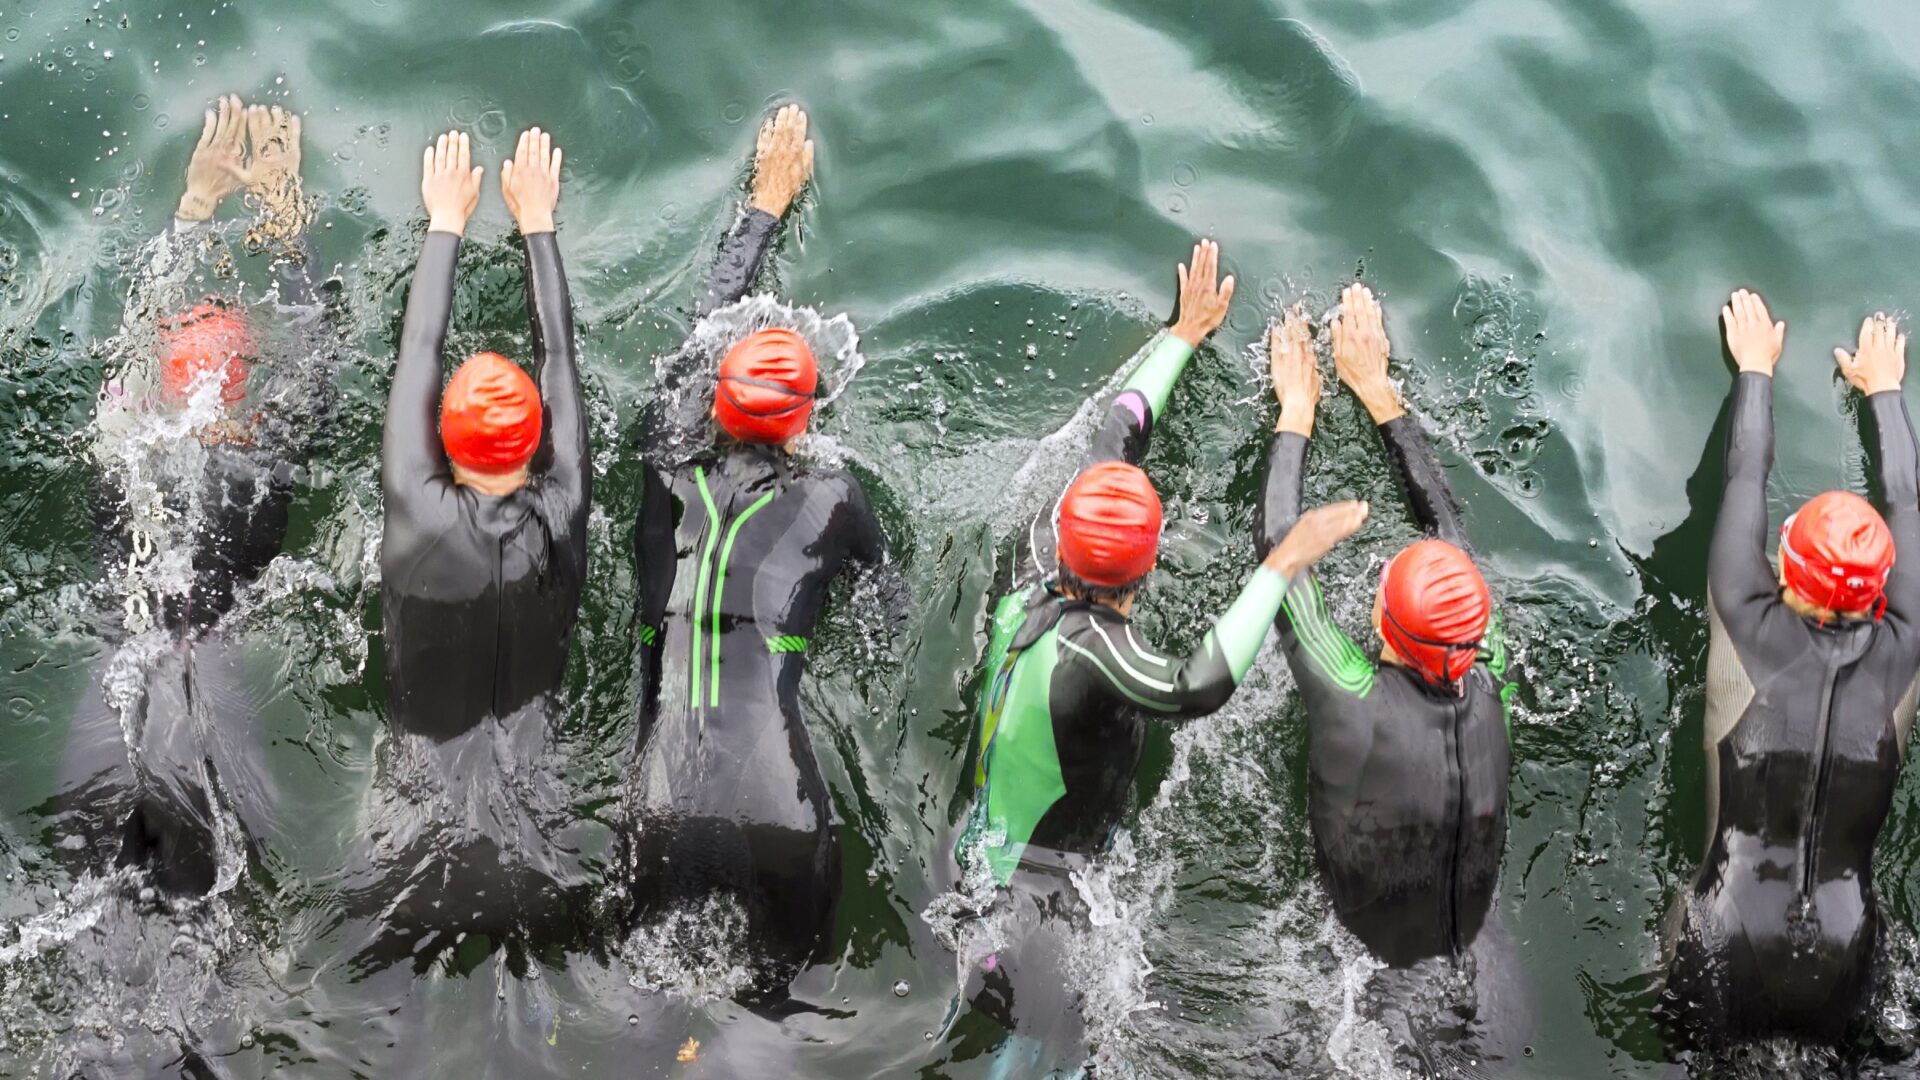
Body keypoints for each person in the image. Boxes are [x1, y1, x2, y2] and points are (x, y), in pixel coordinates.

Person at [946, 238, 1369, 1065]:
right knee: (1047, 1055)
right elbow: (1196, 686)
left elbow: (1118, 432)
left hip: (968, 865)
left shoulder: (1039, 560)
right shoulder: (1100, 651)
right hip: (1039, 917)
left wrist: (1183, 334)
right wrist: (1282, 565)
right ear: (1145, 563)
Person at [621, 104, 890, 995]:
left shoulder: (664, 465)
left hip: (660, 795)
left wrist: (765, 205)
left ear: (714, 403)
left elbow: (706, 325)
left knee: (645, 1003)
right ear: (807, 418)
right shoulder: (834, 495)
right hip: (779, 800)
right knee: (785, 1005)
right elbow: (884, 599)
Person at [53, 94, 332, 898]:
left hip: (112, 701)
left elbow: (135, 339)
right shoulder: (262, 469)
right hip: (210, 700)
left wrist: (194, 208)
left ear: (154, 394)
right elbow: (316, 348)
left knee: (83, 897)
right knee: (223, 906)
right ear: (240, 406)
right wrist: (287, 220)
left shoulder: (121, 454)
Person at [340, 126, 591, 963]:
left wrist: (444, 221)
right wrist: (538, 226)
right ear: (540, 446)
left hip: (409, 840)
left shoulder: (414, 501)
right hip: (539, 840)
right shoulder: (565, 508)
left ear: (442, 444)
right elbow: (559, 356)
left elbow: (419, 349)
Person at [1664, 290, 1920, 1046]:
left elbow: (1745, 473)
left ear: (1785, 563)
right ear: (1882, 590)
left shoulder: (1744, 608)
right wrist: (1885, 391)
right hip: (1849, 946)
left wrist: (1754, 370)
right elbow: (1907, 499)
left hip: (1724, 930)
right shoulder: (1906, 641)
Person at [1253, 284, 1514, 969]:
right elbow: (1450, 539)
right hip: (1473, 951)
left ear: (1386, 631)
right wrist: (1376, 391)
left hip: (1364, 972)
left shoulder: (1353, 695)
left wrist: (1298, 409)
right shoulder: (1489, 672)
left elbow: (1281, 550)